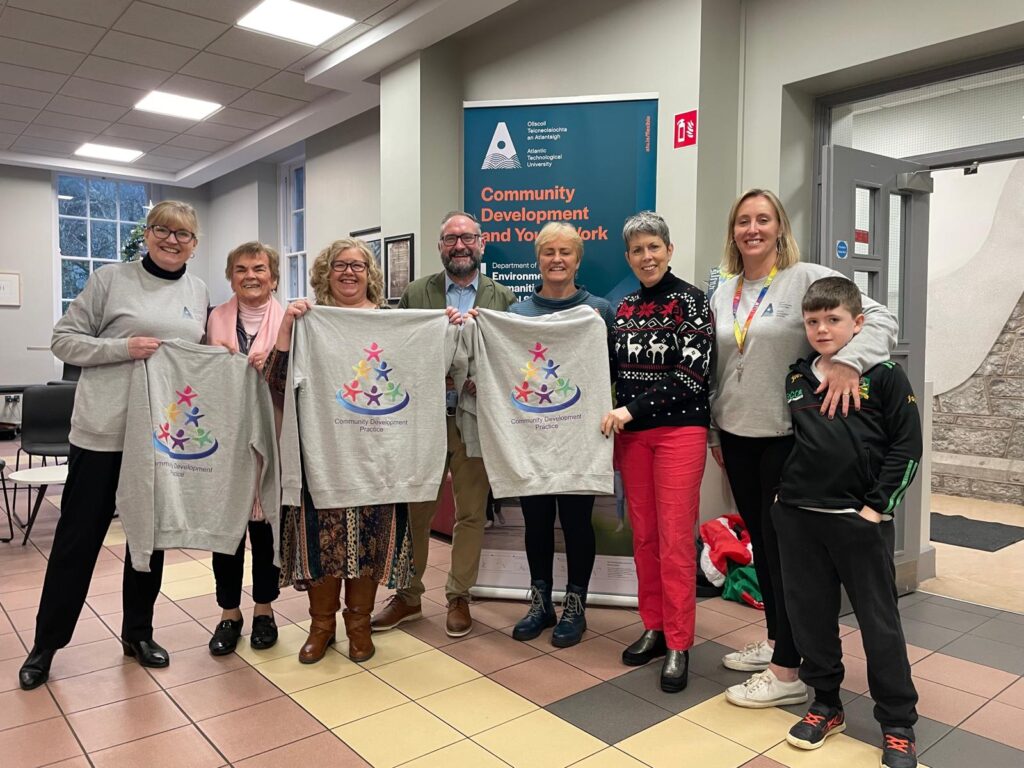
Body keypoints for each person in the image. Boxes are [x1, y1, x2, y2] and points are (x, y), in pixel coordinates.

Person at [708, 189, 898, 708]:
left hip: (786, 438)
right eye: (743, 220)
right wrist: (713, 431)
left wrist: (849, 362)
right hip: (737, 435)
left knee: (784, 555)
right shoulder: (722, 290)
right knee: (763, 553)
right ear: (733, 231)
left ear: (779, 227)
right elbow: (715, 367)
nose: (753, 229)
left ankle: (789, 673)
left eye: (763, 219)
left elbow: (879, 318)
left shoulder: (807, 277)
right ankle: (777, 643)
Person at [19, 201, 209, 689]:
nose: (172, 240)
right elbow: (64, 340)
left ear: (195, 241)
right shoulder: (110, 280)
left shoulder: (198, 290)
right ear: (146, 234)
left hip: (163, 437)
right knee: (78, 538)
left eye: (183, 234)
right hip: (103, 432)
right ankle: (46, 644)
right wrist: (122, 348)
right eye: (163, 230)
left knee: (150, 537)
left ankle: (137, 633)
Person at [774, 277, 921, 768]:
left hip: (859, 522)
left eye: (833, 320)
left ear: (858, 324)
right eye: (812, 321)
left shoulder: (884, 376)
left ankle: (897, 723)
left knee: (879, 624)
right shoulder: (798, 377)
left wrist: (876, 509)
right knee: (810, 619)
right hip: (799, 520)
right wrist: (783, 498)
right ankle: (826, 705)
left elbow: (907, 448)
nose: (821, 329)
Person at [264, 238, 413, 664]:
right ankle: (322, 626)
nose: (349, 272)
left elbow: (420, 376)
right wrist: (287, 330)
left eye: (358, 265)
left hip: (377, 454)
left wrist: (452, 326)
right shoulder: (310, 320)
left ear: (371, 274)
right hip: (321, 453)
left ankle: (359, 626)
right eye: (339, 266)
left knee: (367, 541)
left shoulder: (391, 322)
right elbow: (277, 382)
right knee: (321, 543)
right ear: (325, 275)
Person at [371, 211, 515, 637]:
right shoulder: (418, 292)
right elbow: (398, 351)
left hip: (475, 418)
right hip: (424, 418)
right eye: (451, 238)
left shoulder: (502, 297)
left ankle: (459, 596)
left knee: (471, 513)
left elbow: (509, 359)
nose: (459, 246)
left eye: (467, 238)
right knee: (416, 509)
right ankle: (409, 596)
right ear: (440, 247)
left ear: (482, 244)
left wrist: (482, 377)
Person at [600, 211, 713, 693]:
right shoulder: (622, 308)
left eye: (654, 248)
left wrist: (629, 410)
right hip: (633, 439)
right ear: (627, 257)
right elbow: (605, 368)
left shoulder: (693, 303)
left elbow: (691, 377)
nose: (646, 257)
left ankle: (680, 643)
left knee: (673, 539)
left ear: (669, 251)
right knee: (643, 537)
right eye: (637, 250)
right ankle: (654, 625)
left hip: (678, 434)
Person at [508, 222, 614, 648]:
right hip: (531, 435)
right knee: (535, 519)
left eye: (565, 252)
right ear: (538, 259)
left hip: (579, 436)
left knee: (575, 521)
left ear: (577, 259)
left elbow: (611, 373)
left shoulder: (599, 311)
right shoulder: (517, 314)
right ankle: (540, 602)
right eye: (548, 252)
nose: (557, 259)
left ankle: (575, 605)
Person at [204, 242, 286, 656]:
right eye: (240, 269)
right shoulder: (214, 319)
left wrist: (275, 364)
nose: (250, 275)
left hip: (273, 432)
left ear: (273, 276)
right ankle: (228, 613)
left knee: (266, 526)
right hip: (227, 436)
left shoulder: (292, 319)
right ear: (230, 276)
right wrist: (211, 360)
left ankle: (265, 610)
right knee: (228, 531)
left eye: (259, 268)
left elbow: (303, 377)